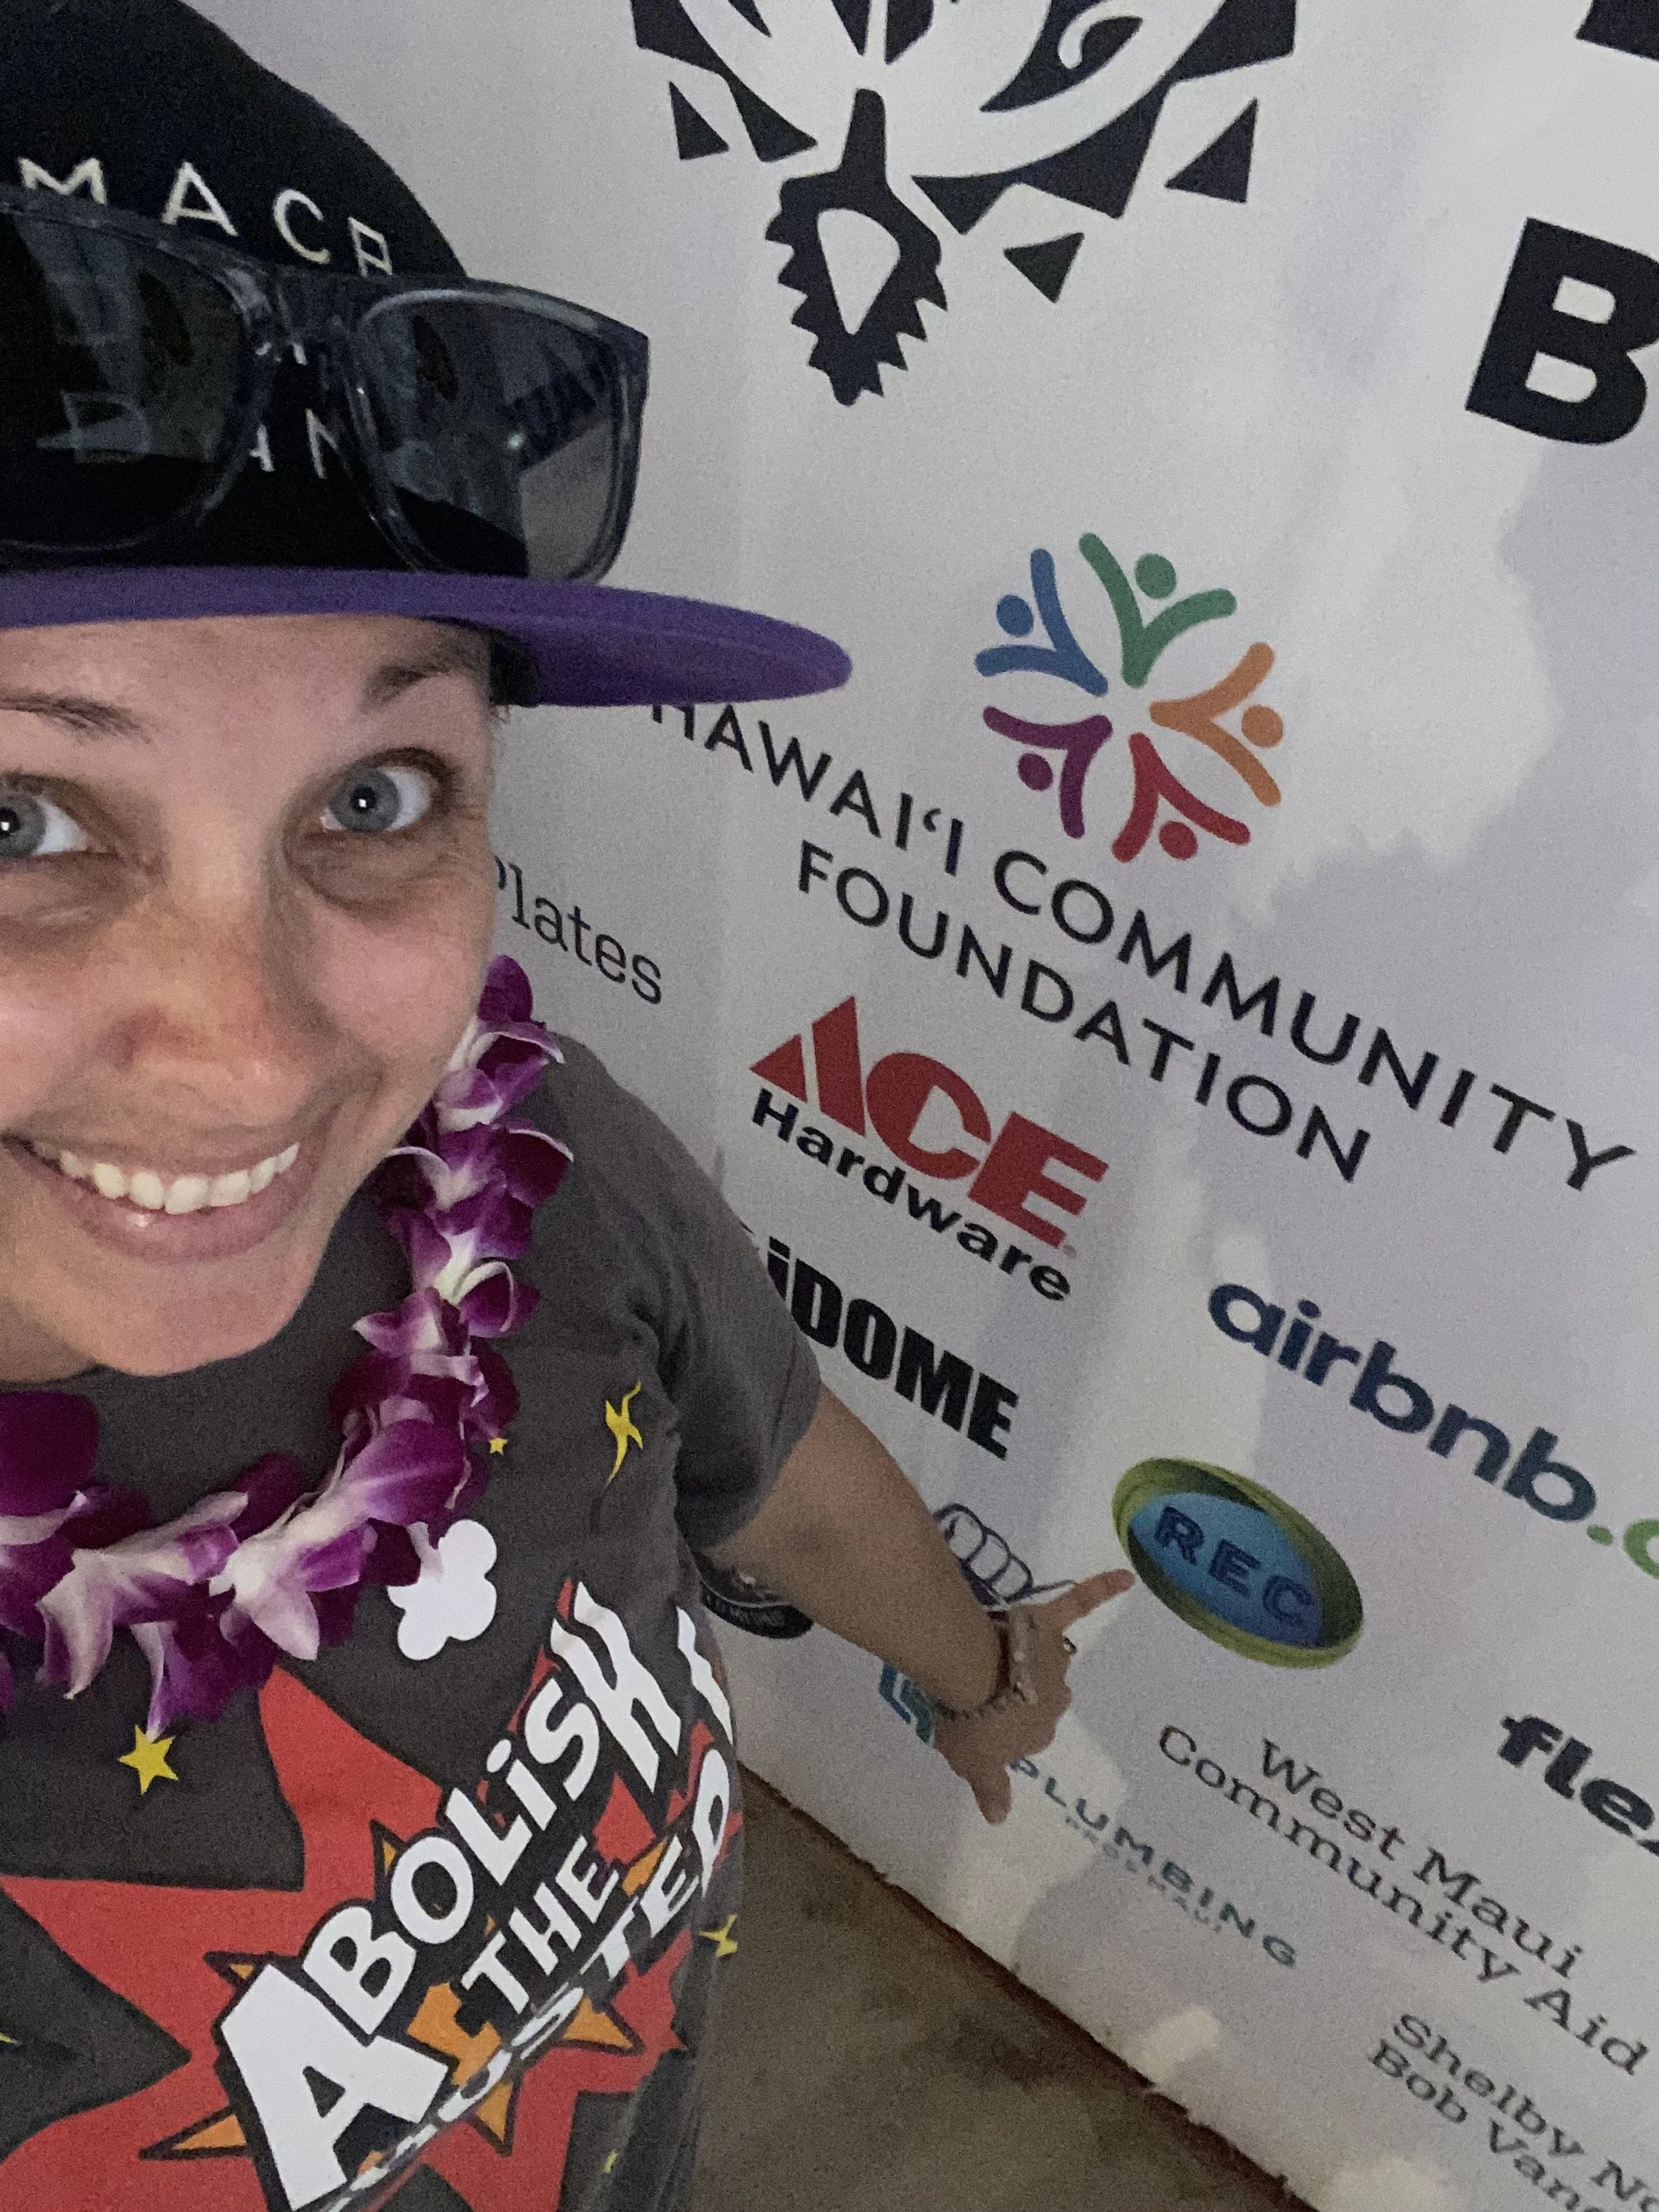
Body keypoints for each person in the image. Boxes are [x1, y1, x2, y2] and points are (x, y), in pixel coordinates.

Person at [0, 7, 1133, 2210]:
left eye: (376, 794)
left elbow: (776, 1471)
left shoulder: (528, 1177)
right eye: (20, 814)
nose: (252, 1051)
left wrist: (980, 1670)